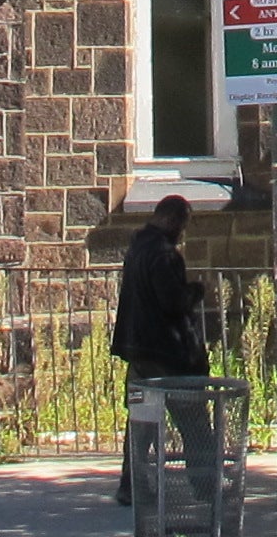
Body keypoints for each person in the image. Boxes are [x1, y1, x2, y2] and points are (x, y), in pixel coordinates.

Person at [109, 193, 217, 510]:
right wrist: (196, 291)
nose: (183, 232)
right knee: (194, 422)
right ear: (172, 219)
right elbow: (172, 303)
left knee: (142, 425)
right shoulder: (165, 255)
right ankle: (205, 485)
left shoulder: (138, 248)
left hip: (139, 351)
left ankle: (131, 486)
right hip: (168, 353)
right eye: (183, 224)